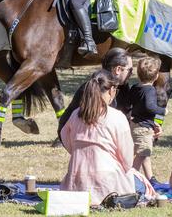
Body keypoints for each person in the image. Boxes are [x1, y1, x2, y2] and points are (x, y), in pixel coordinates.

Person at [60, 69, 154, 205]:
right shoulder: (116, 117)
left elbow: (65, 138)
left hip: (76, 182)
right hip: (109, 185)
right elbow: (127, 161)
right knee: (142, 184)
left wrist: (80, 153)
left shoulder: (75, 114)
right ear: (111, 90)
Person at [58, 47, 134, 140]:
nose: (132, 73)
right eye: (130, 70)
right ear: (118, 69)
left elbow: (127, 115)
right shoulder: (93, 88)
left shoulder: (123, 88)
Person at [128, 56, 165, 183]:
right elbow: (150, 107)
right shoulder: (150, 90)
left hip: (134, 125)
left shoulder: (134, 88)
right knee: (142, 153)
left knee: (144, 153)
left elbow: (133, 105)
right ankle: (131, 178)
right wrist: (163, 111)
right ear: (156, 76)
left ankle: (150, 179)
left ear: (138, 74)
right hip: (143, 128)